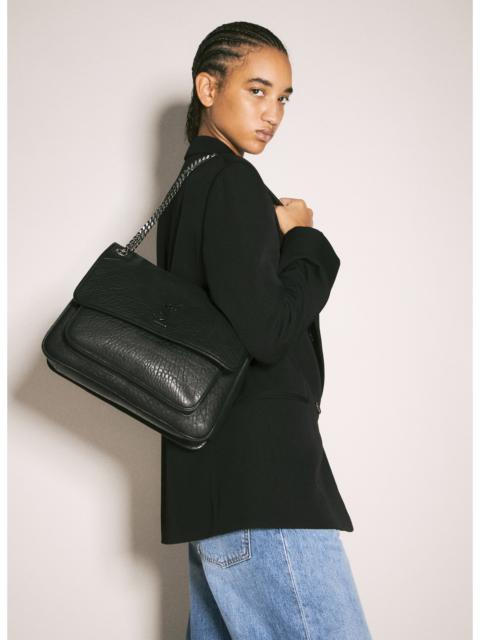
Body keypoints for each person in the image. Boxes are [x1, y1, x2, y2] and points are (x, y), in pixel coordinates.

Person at [156, 20, 373, 640]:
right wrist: (304, 238)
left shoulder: (188, 187)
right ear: (208, 88)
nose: (272, 112)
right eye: (256, 90)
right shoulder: (230, 181)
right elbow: (269, 332)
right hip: (263, 487)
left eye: (283, 97)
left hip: (217, 490)